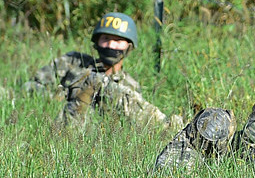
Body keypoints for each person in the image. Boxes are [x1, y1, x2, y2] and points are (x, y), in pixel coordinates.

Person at [24, 11, 180, 128]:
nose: (111, 45)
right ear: (97, 42)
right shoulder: (72, 62)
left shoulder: (129, 86)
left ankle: (168, 126)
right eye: (106, 39)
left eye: (118, 40)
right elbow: (31, 86)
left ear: (129, 46)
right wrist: (56, 100)